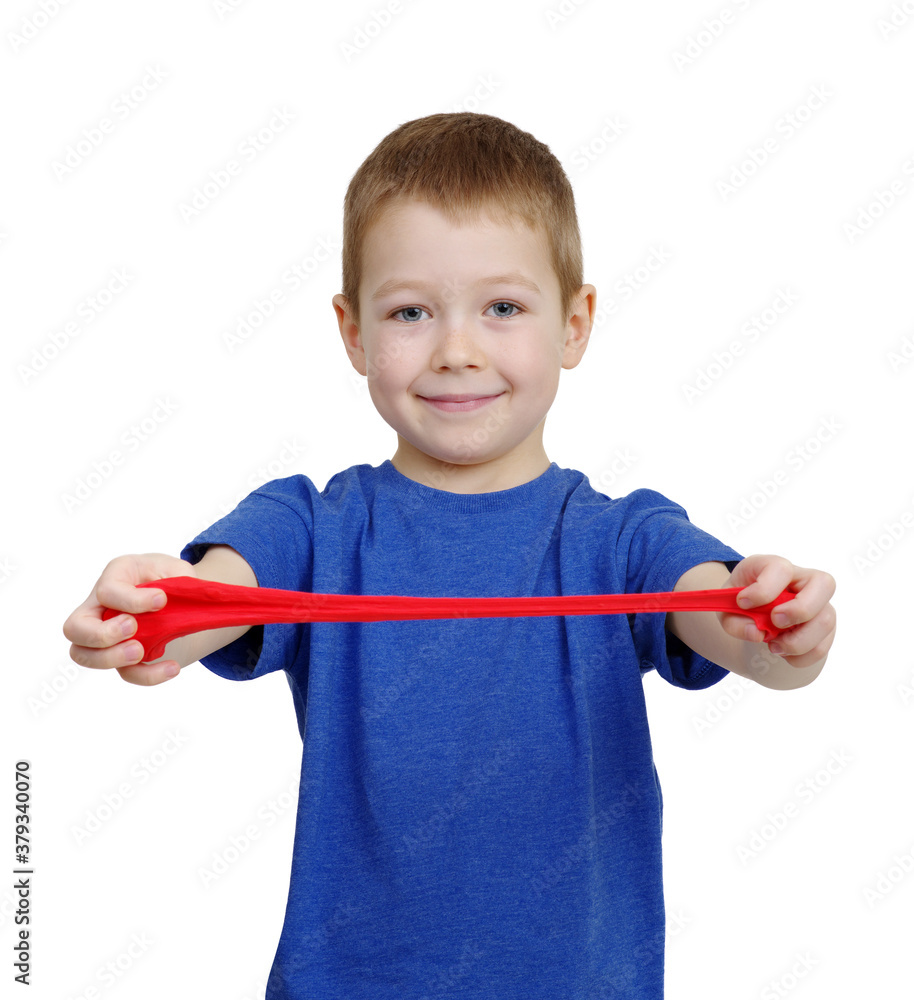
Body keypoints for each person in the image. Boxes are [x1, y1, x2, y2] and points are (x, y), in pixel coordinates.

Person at [63, 112, 837, 999]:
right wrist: (153, 611)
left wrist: (780, 626)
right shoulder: (312, 525)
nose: (457, 350)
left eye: (502, 308)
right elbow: (214, 596)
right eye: (410, 312)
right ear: (353, 333)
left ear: (576, 324)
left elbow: (730, 624)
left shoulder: (625, 538)